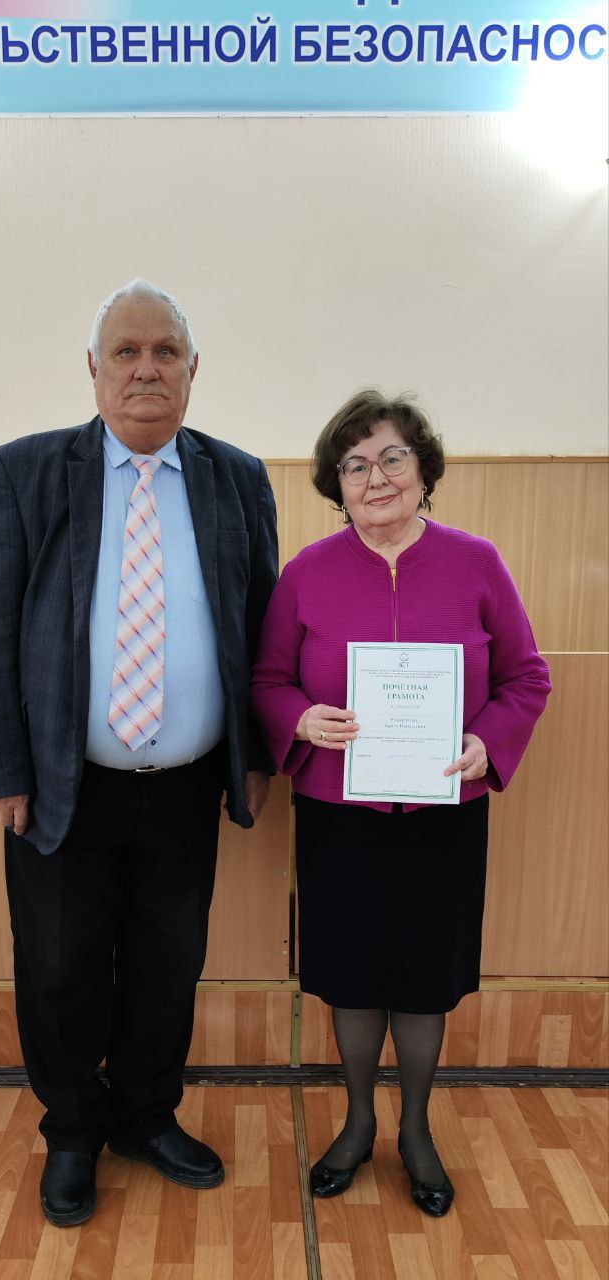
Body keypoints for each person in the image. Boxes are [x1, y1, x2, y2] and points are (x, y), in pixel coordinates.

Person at [0, 279, 278, 1227]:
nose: (146, 369)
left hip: (186, 787)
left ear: (192, 369)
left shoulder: (237, 478)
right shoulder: (23, 471)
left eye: (165, 351)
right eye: (127, 352)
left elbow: (262, 626)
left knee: (167, 964)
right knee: (58, 969)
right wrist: (0, 767)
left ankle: (145, 1115)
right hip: (61, 784)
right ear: (93, 369)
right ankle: (72, 1132)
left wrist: (255, 755)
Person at [250, 389, 550, 1215]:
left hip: (443, 812)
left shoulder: (476, 563)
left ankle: (416, 1129)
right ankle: (356, 1123)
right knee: (351, 975)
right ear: (336, 484)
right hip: (337, 812)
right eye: (355, 465)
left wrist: (488, 741)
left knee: (422, 978)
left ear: (423, 470)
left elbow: (527, 677)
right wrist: (300, 718)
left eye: (391, 457)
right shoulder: (306, 572)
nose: (374, 477)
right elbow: (267, 680)